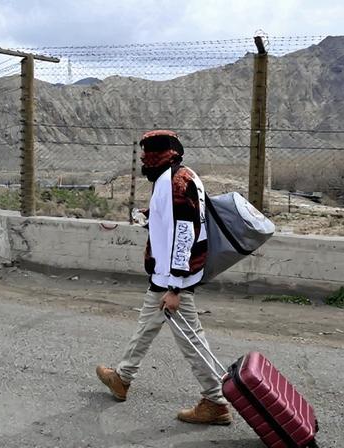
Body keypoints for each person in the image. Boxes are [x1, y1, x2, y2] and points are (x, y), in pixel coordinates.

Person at [95, 129, 232, 425]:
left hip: (174, 280)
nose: (145, 160)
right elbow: (174, 221)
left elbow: (184, 234)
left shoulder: (173, 184)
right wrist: (149, 216)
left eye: (149, 155)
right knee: (147, 324)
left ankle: (216, 402)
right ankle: (123, 378)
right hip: (165, 276)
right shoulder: (176, 177)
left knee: (191, 340)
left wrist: (175, 288)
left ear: (163, 156)